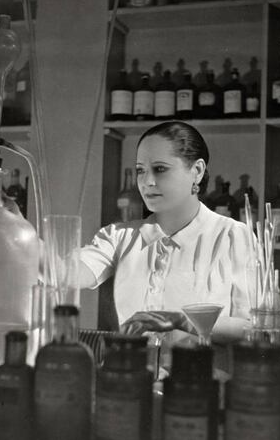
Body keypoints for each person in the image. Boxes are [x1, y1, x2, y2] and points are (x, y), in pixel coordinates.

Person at [78, 120, 253, 347]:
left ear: (197, 171)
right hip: (132, 375)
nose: (147, 182)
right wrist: (22, 236)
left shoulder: (232, 237)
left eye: (160, 169)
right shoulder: (120, 236)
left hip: (199, 378)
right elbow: (64, 272)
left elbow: (254, 329)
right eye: (141, 170)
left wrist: (180, 320)